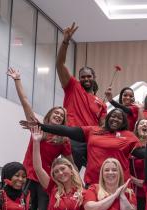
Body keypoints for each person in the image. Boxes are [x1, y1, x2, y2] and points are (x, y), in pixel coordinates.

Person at [7, 67, 72, 210]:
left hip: (46, 180)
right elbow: (25, 101)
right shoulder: (38, 128)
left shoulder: (63, 139)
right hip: (28, 176)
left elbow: (71, 164)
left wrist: (77, 183)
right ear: (49, 116)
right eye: (56, 113)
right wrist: (17, 80)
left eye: (61, 116)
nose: (58, 116)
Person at [24, 108, 138, 186]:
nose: (115, 119)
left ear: (124, 122)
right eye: (113, 116)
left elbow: (142, 153)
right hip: (93, 184)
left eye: (119, 118)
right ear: (108, 118)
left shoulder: (129, 136)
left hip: (117, 185)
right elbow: (68, 130)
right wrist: (42, 127)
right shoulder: (94, 130)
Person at [56, 22, 107, 170]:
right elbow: (60, 64)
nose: (85, 79)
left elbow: (103, 124)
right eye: (82, 77)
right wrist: (65, 41)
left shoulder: (101, 102)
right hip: (73, 138)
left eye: (88, 76)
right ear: (79, 78)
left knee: (95, 173)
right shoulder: (72, 87)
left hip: (92, 139)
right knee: (71, 173)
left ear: (94, 77)